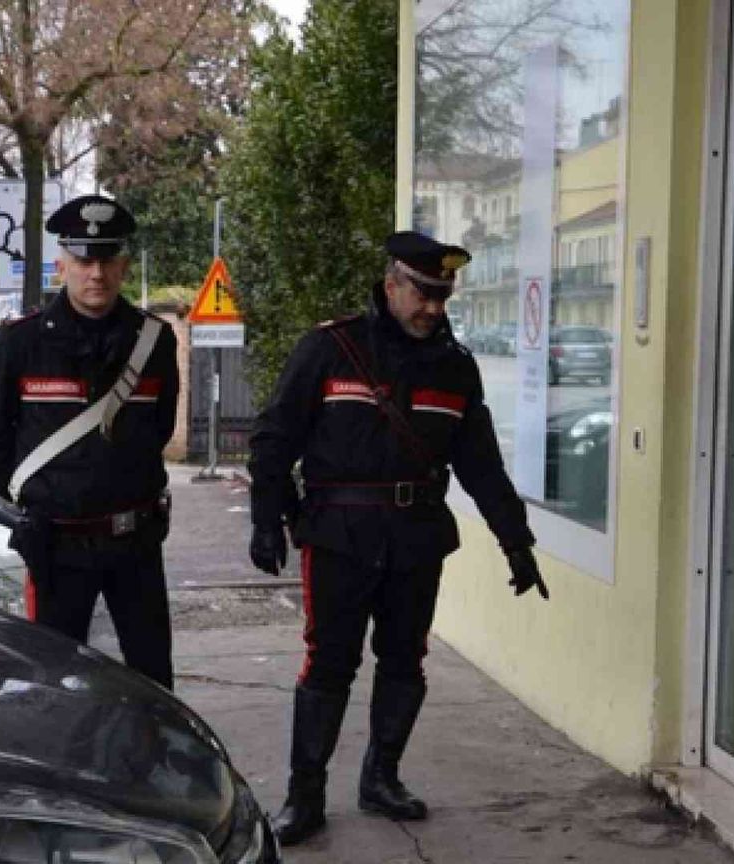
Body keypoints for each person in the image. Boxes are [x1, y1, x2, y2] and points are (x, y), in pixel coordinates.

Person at [248, 230, 550, 845]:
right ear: (390, 285)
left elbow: (482, 464)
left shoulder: (456, 367)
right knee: (328, 664)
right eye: (422, 293)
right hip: (339, 535)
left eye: (442, 297)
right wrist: (265, 516)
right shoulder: (330, 349)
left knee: (405, 660)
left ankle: (381, 778)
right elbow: (275, 438)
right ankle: (304, 795)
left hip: (416, 538)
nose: (433, 308)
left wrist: (515, 541)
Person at [0, 192, 180, 690]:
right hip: (57, 545)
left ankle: (147, 766)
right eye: (84, 260)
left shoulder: (154, 341)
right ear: (62, 263)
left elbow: (158, 430)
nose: (96, 274)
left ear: (123, 264)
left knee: (153, 679)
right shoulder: (21, 342)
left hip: (135, 543)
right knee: (50, 684)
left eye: (107, 260)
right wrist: (35, 496)